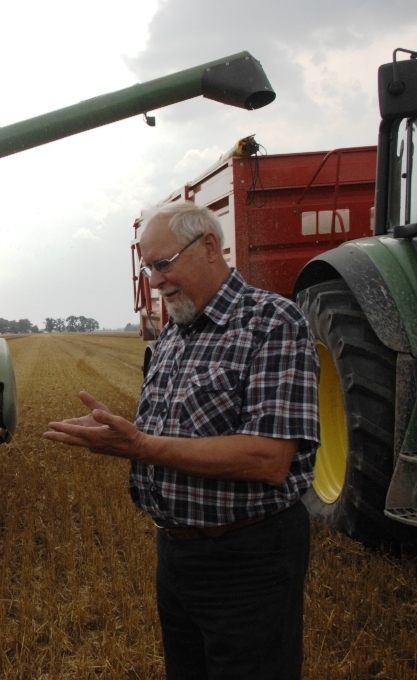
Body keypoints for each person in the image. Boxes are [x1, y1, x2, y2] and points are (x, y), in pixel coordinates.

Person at [44, 201, 319, 680]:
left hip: (248, 558)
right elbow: (176, 431)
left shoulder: (273, 323)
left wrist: (142, 447)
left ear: (210, 246)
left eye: (163, 264)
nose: (154, 281)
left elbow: (269, 457)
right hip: (177, 556)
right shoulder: (174, 335)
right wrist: (123, 430)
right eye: (149, 267)